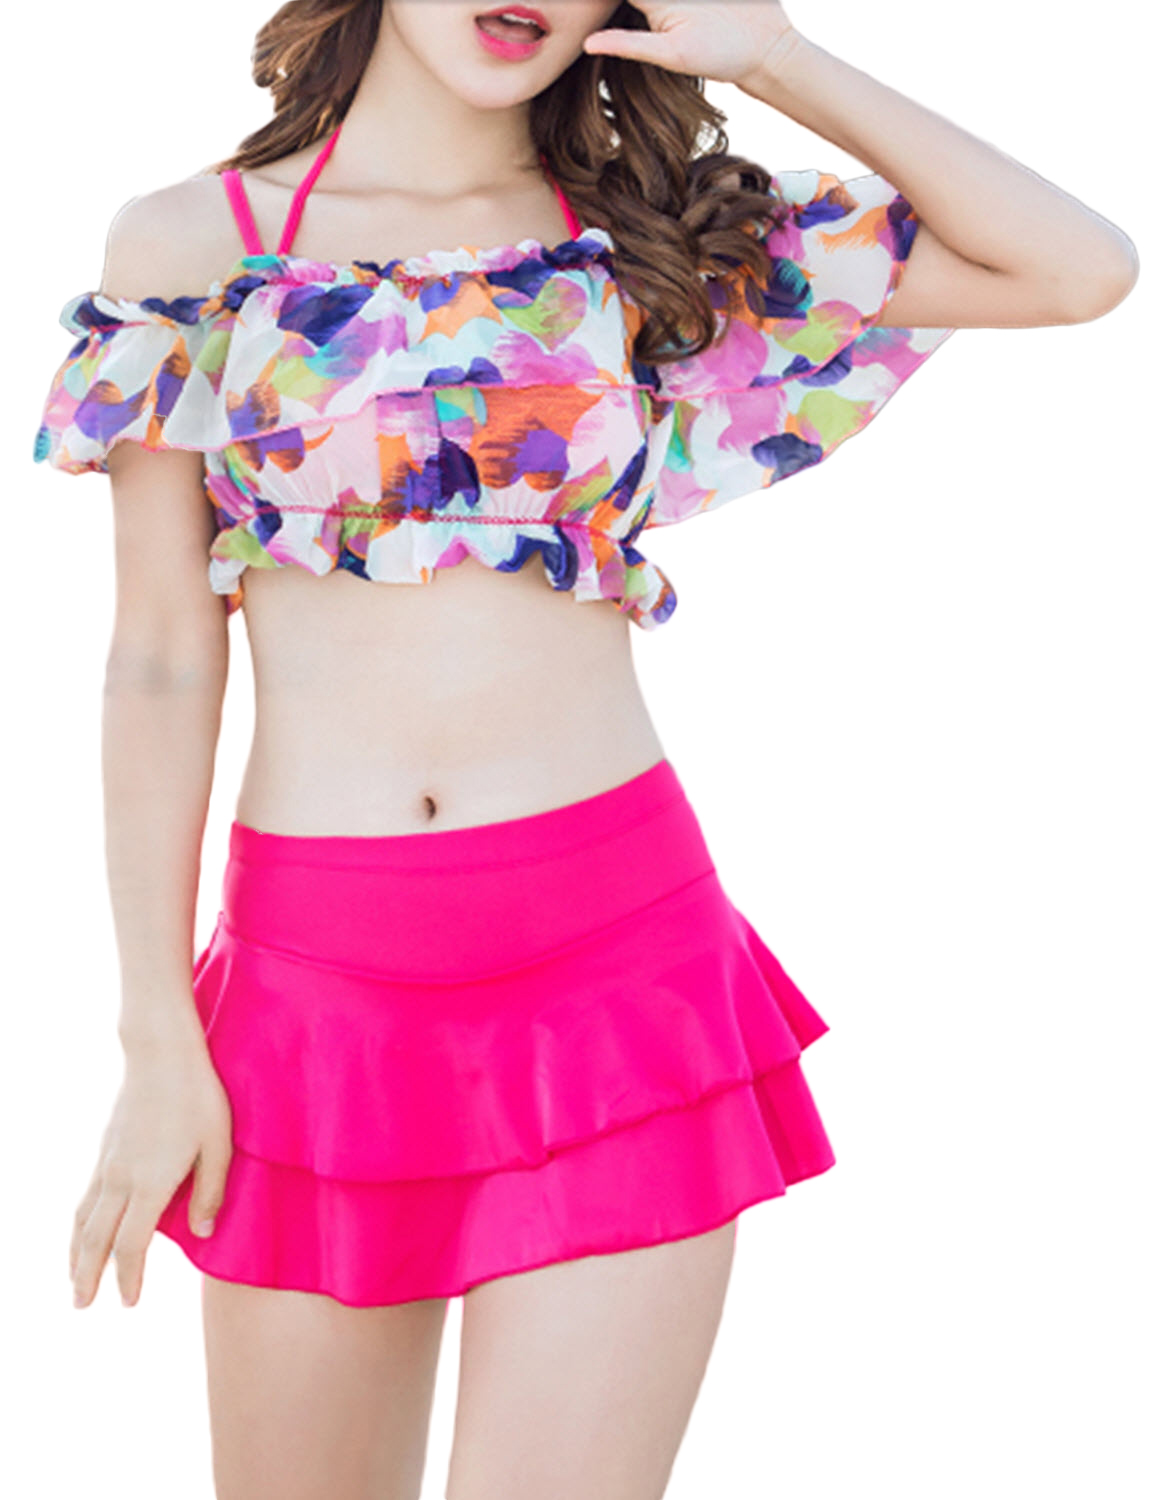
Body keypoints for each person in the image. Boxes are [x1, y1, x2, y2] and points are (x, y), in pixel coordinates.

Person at [33, 2, 1138, 1497]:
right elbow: (163, 655)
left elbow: (1078, 267)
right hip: (318, 995)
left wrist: (775, 56)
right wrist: (157, 1040)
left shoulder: (648, 238)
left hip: (617, 974)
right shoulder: (187, 243)